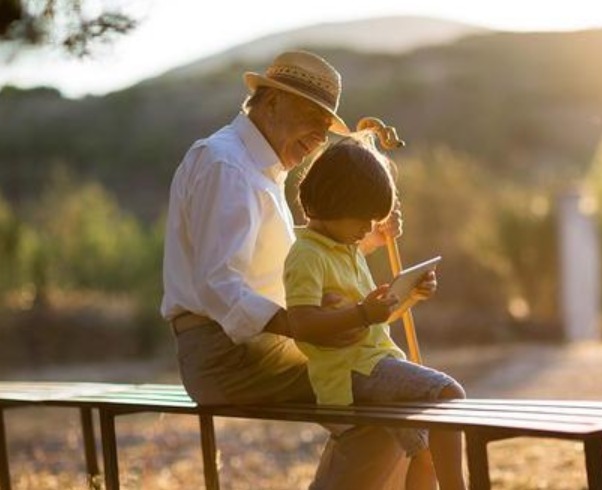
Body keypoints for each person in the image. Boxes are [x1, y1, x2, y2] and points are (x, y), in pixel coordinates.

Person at [161, 50, 409, 488]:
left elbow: (288, 264)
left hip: (246, 349)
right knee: (382, 394)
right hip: (227, 356)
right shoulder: (227, 165)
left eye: (326, 124)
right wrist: (304, 325)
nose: (319, 136)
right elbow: (219, 285)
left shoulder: (255, 166)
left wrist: (362, 241)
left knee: (388, 386)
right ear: (271, 101)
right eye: (312, 116)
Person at [284, 134, 468, 490]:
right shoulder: (307, 255)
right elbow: (301, 324)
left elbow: (372, 318)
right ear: (332, 202)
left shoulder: (346, 249)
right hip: (350, 372)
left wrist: (409, 295)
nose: (369, 230)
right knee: (449, 395)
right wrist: (363, 314)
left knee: (425, 451)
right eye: (363, 219)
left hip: (372, 362)